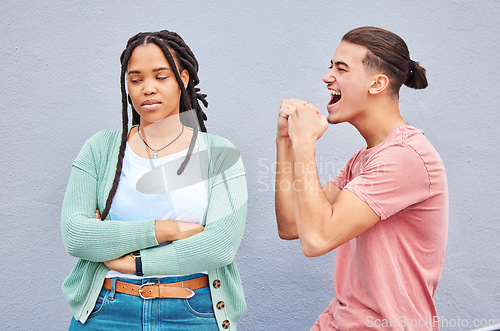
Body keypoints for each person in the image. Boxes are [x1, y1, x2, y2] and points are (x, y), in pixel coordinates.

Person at [61, 30, 247, 330]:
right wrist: (167, 230)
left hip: (194, 313)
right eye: (136, 80)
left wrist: (132, 261)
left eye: (161, 77)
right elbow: (77, 235)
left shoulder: (218, 155)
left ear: (182, 78)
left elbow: (219, 246)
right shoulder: (100, 149)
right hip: (107, 312)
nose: (148, 88)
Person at [275, 26, 448, 330]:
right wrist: (285, 142)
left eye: (341, 68)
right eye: (330, 66)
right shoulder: (363, 159)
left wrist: (305, 144)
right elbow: (291, 225)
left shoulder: (405, 156)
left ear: (377, 83)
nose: (328, 77)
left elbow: (317, 240)